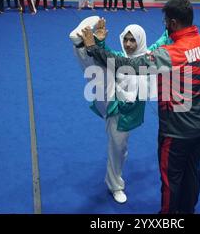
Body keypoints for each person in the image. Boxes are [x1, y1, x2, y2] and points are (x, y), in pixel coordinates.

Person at [78, 0, 200, 214]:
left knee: (171, 179)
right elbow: (162, 43)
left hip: (178, 129)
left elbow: (128, 64)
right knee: (192, 170)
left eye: (166, 22)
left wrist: (94, 47)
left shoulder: (171, 53)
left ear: (172, 22)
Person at [70, 16, 172, 204]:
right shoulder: (118, 56)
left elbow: (162, 42)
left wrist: (169, 28)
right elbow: (104, 53)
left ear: (140, 40)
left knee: (121, 149)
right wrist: (98, 41)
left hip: (130, 112)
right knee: (99, 68)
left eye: (133, 40)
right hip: (113, 105)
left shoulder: (148, 57)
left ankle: (81, 47)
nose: (128, 44)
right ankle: (115, 185)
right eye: (126, 39)